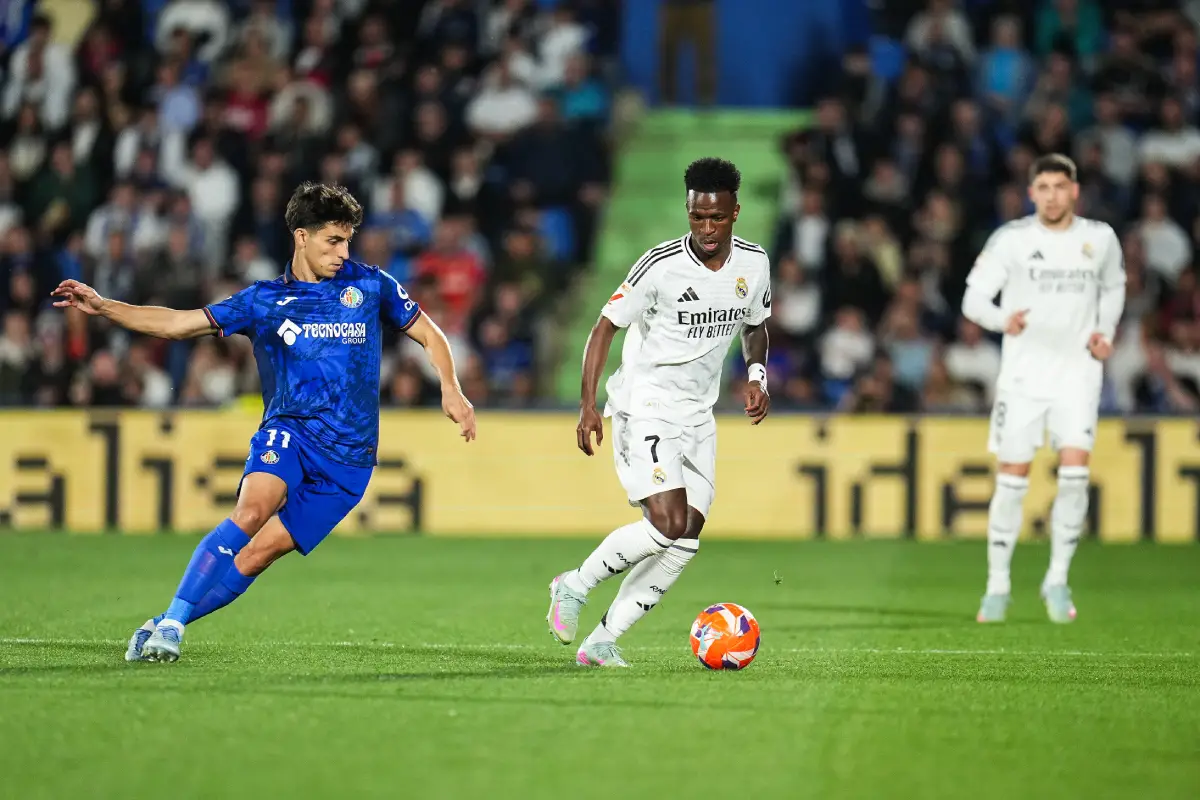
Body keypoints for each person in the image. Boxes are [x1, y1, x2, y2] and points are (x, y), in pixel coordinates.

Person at [51, 182, 477, 662]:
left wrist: (451, 386)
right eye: (332, 241)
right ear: (301, 236)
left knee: (256, 555)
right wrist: (104, 306)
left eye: (347, 241)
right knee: (252, 512)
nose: (343, 252)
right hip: (289, 432)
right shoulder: (264, 301)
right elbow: (176, 323)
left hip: (351, 461)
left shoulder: (370, 285)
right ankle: (172, 623)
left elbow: (430, 332)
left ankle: (163, 623)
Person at [545, 158, 772, 667]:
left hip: (699, 416)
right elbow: (604, 328)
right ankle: (574, 585)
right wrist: (588, 407)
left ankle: (602, 641)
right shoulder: (659, 266)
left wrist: (757, 376)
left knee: (686, 536)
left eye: (717, 218)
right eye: (697, 218)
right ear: (688, 211)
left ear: (735, 211)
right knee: (666, 522)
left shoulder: (754, 264)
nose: (707, 229)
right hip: (643, 404)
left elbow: (756, 324)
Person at [961, 154, 1125, 624]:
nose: (1052, 195)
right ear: (1031, 193)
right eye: (1044, 187)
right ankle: (997, 586)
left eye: (1060, 186)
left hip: (1078, 374)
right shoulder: (1012, 241)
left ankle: (1057, 579)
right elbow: (973, 299)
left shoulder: (1101, 239)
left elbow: (1115, 287)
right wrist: (1001, 319)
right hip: (1023, 379)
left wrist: (1106, 331)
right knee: (1012, 481)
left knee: (1074, 475)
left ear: (1075, 191)